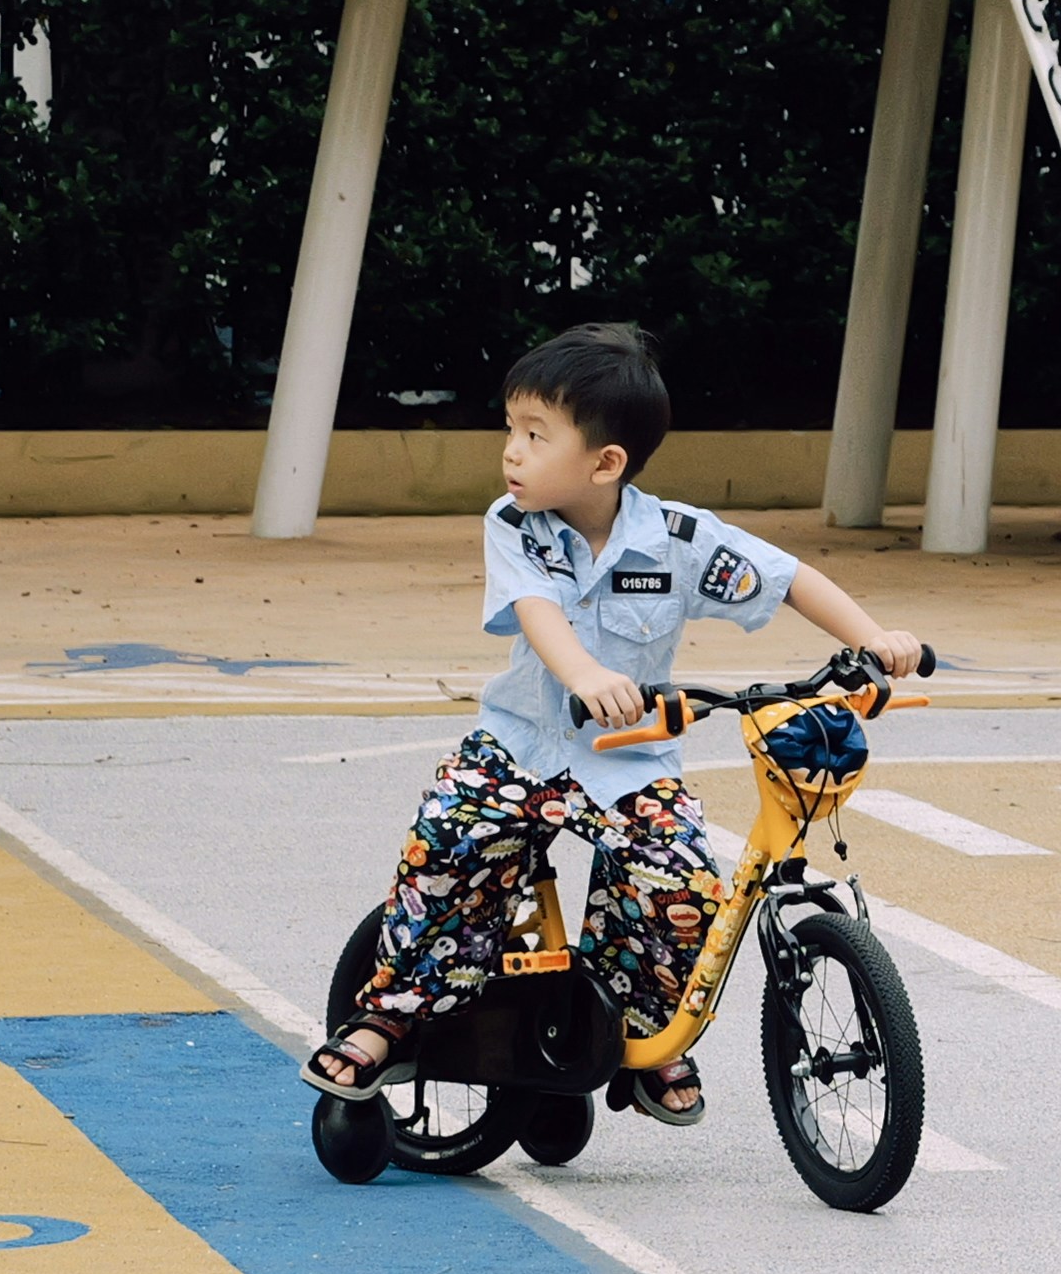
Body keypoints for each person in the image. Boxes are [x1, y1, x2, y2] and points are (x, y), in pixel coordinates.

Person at [305, 321, 925, 1123]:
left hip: (625, 758)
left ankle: (643, 1038)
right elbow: (538, 612)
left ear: (605, 462)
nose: (512, 453)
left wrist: (871, 640)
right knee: (448, 855)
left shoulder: (678, 540)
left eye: (535, 435)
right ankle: (391, 1014)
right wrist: (588, 674)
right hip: (517, 748)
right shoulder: (514, 524)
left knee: (681, 884)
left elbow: (789, 577)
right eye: (510, 431)